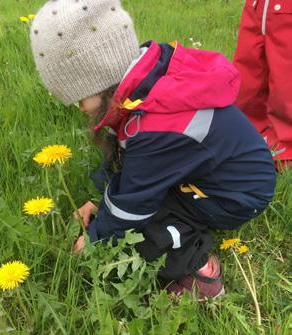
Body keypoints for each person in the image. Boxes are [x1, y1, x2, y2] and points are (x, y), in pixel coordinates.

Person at [30, 0, 276, 300]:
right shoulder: (145, 80)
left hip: (236, 196)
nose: (78, 106)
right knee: (129, 192)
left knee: (142, 230)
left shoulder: (155, 126)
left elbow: (133, 204)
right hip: (218, 172)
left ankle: (197, 271)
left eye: (79, 96)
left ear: (98, 74)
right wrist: (103, 200)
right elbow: (128, 160)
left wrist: (96, 239)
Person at [233, 0, 292, 168]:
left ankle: (286, 145)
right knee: (248, 75)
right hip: (259, 7)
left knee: (286, 80)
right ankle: (248, 130)